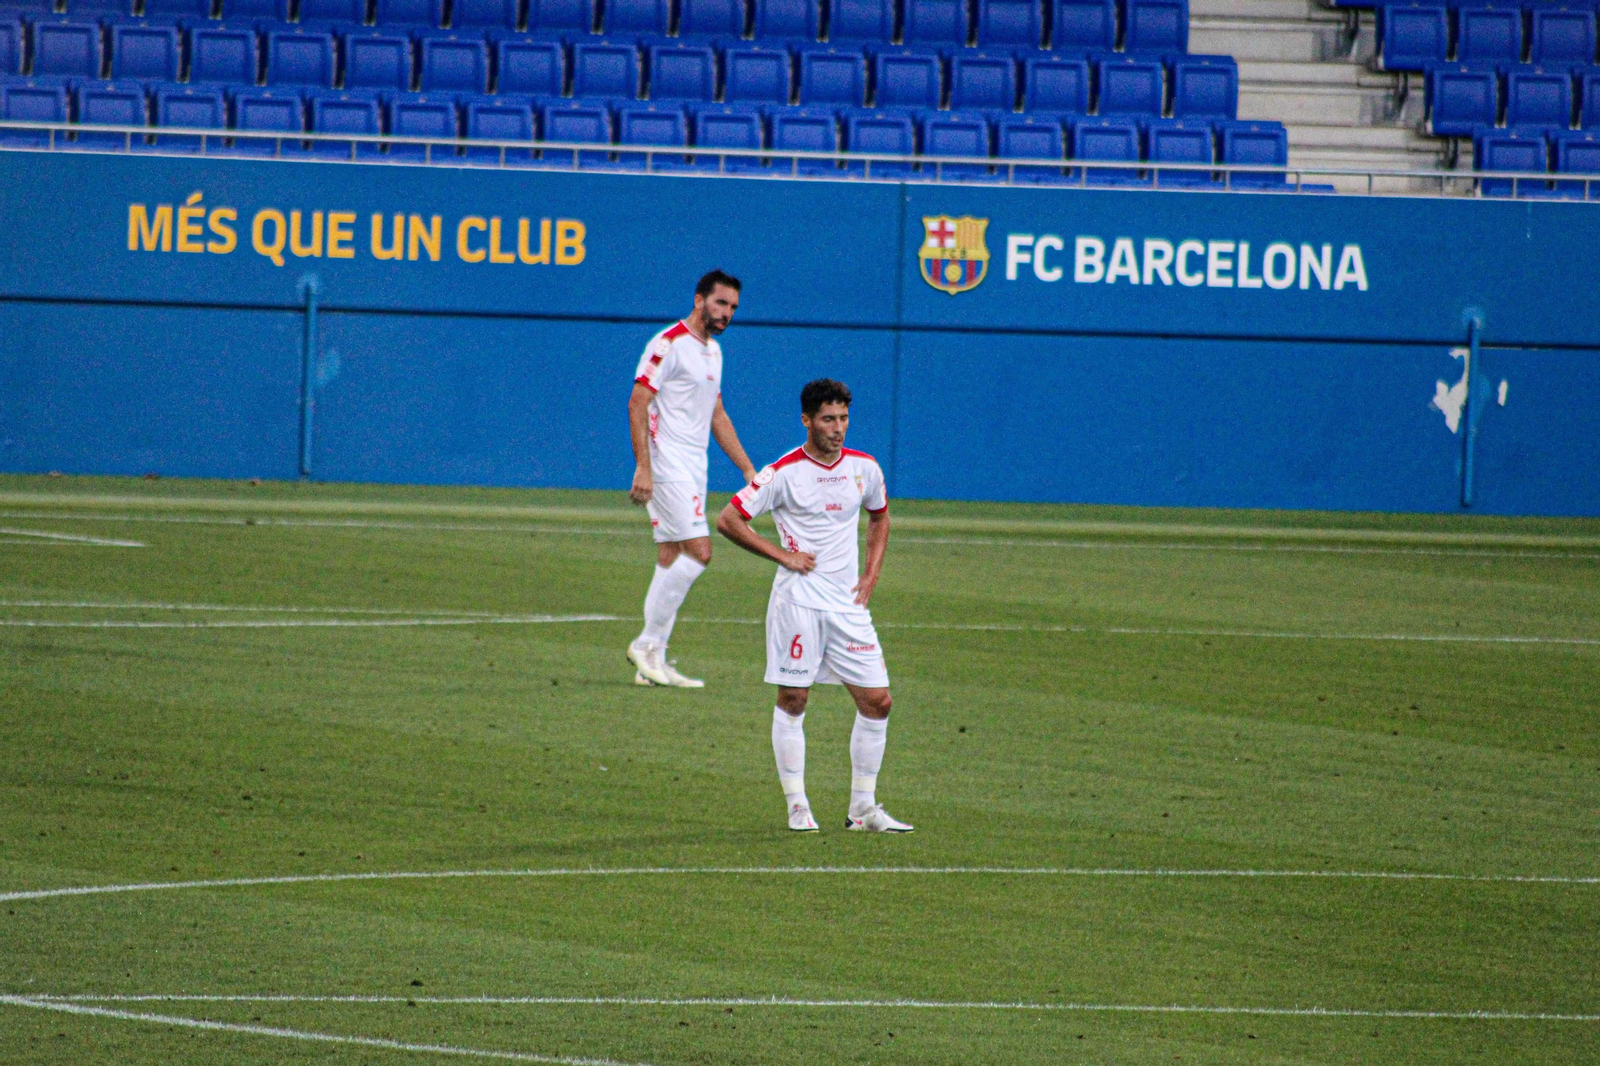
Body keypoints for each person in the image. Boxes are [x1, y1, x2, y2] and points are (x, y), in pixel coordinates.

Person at [715, 379, 912, 834]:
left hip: (847, 607)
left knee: (878, 701)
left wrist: (871, 574)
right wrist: (783, 556)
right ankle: (797, 804)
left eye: (843, 419)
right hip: (798, 602)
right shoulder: (782, 472)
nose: (838, 428)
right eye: (828, 419)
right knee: (794, 697)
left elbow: (879, 516)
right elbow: (728, 519)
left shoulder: (865, 468)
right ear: (807, 420)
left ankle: (862, 809)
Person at [626, 270, 757, 688]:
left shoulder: (713, 353)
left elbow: (716, 415)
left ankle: (653, 665)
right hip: (666, 464)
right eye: (721, 303)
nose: (727, 313)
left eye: (733, 307)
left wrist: (747, 468)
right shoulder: (669, 344)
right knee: (700, 552)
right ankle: (646, 644)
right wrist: (643, 466)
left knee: (670, 556)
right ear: (700, 299)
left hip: (693, 466)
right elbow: (638, 402)